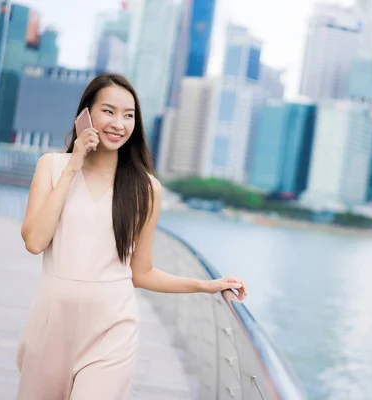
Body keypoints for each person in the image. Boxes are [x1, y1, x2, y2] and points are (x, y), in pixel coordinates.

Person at [16, 73, 248, 399]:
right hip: (51, 323)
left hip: (112, 327)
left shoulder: (146, 189)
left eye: (129, 115)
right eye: (108, 111)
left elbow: (142, 272)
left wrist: (206, 285)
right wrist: (73, 166)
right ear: (86, 114)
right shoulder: (52, 167)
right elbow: (35, 241)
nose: (119, 123)